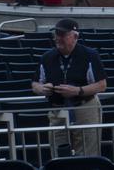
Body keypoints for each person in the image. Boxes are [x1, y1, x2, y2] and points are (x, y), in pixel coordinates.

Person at [32, 19, 107, 157]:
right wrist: (43, 89)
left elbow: (102, 85)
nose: (58, 38)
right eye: (56, 34)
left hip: (85, 108)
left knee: (87, 155)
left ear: (75, 36)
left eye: (62, 35)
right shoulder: (47, 57)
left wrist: (78, 91)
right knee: (58, 154)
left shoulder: (90, 55)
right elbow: (35, 84)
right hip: (57, 110)